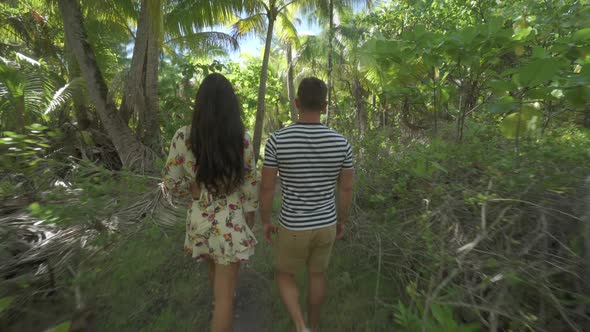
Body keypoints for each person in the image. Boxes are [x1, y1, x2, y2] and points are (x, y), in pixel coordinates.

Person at [163, 73, 258, 332]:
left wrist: (193, 193)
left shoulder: (183, 136)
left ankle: (220, 309)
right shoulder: (242, 138)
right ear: (231, 105)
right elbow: (250, 180)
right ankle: (223, 311)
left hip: (200, 217)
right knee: (227, 294)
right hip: (230, 216)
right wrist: (250, 215)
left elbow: (170, 183)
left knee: (215, 276)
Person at [259, 77, 354, 332]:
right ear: (324, 106)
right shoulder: (342, 143)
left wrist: (266, 221)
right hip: (326, 225)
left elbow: (267, 187)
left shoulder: (278, 140)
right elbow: (345, 188)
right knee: (317, 276)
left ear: (297, 103)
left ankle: (301, 326)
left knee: (284, 274)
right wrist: (341, 221)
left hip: (293, 225)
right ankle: (313, 325)